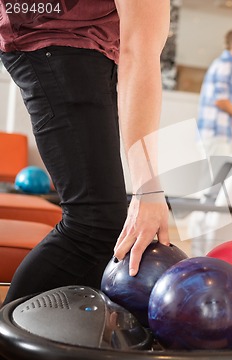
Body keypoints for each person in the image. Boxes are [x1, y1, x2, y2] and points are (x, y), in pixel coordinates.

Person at [0, 0, 171, 304]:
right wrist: (148, 190)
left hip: (86, 45)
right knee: (93, 225)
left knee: (104, 224)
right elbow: (140, 51)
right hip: (60, 40)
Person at [190, 29, 232, 256]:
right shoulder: (227, 65)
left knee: (210, 189)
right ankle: (202, 248)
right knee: (211, 191)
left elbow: (219, 102)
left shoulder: (222, 64)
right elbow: (220, 100)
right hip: (214, 135)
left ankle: (202, 245)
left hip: (214, 132)